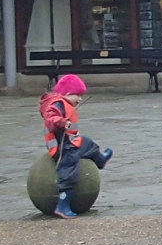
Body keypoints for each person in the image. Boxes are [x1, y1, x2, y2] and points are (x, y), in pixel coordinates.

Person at [40, 73, 113, 219]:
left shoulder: (65, 103)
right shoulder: (57, 104)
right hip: (63, 148)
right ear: (67, 93)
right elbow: (50, 118)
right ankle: (62, 205)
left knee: (89, 144)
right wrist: (61, 122)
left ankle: (100, 159)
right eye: (77, 95)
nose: (80, 99)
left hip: (73, 141)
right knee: (68, 172)